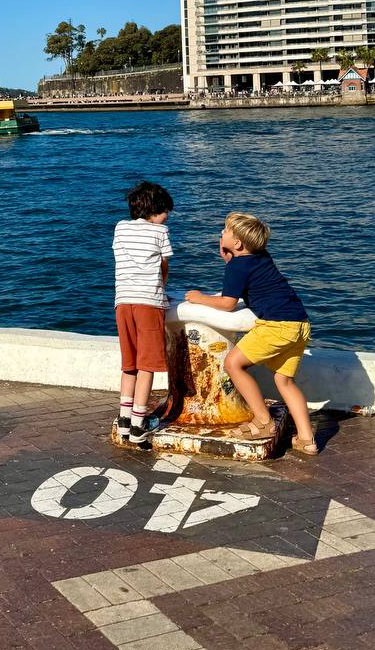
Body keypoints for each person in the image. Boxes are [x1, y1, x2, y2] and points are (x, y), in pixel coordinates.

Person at [185, 212, 317, 455]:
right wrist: (229, 258)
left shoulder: (238, 266)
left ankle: (263, 421)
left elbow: (228, 303)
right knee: (284, 381)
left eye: (225, 232)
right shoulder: (260, 257)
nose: (220, 233)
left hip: (277, 325)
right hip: (300, 322)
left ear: (237, 244)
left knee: (233, 364)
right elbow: (248, 275)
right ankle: (307, 440)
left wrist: (199, 298)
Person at [113, 181, 174, 447]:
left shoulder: (120, 227)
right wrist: (162, 290)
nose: (168, 217)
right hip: (148, 303)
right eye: (166, 212)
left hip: (123, 303)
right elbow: (163, 268)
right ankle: (140, 423)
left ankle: (124, 419)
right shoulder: (160, 232)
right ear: (157, 210)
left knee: (130, 362)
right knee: (147, 364)